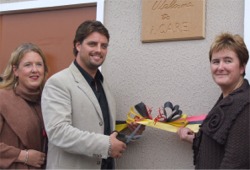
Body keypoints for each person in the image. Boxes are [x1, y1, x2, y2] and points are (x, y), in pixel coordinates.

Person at [41, 20, 144, 169]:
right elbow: (58, 132)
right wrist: (106, 145)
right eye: (92, 44)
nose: (99, 50)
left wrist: (131, 131)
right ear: (78, 45)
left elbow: (101, 129)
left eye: (104, 46)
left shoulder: (103, 85)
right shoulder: (58, 83)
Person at [177, 33, 249, 169]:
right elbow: (220, 144)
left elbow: (236, 164)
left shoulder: (245, 105)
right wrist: (193, 138)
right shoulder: (227, 100)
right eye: (216, 61)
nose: (220, 67)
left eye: (228, 61)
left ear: (242, 67)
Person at [0, 43, 48, 169]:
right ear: (15, 70)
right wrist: (22, 155)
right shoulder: (3, 99)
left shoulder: (49, 100)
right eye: (28, 65)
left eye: (39, 64)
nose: (35, 70)